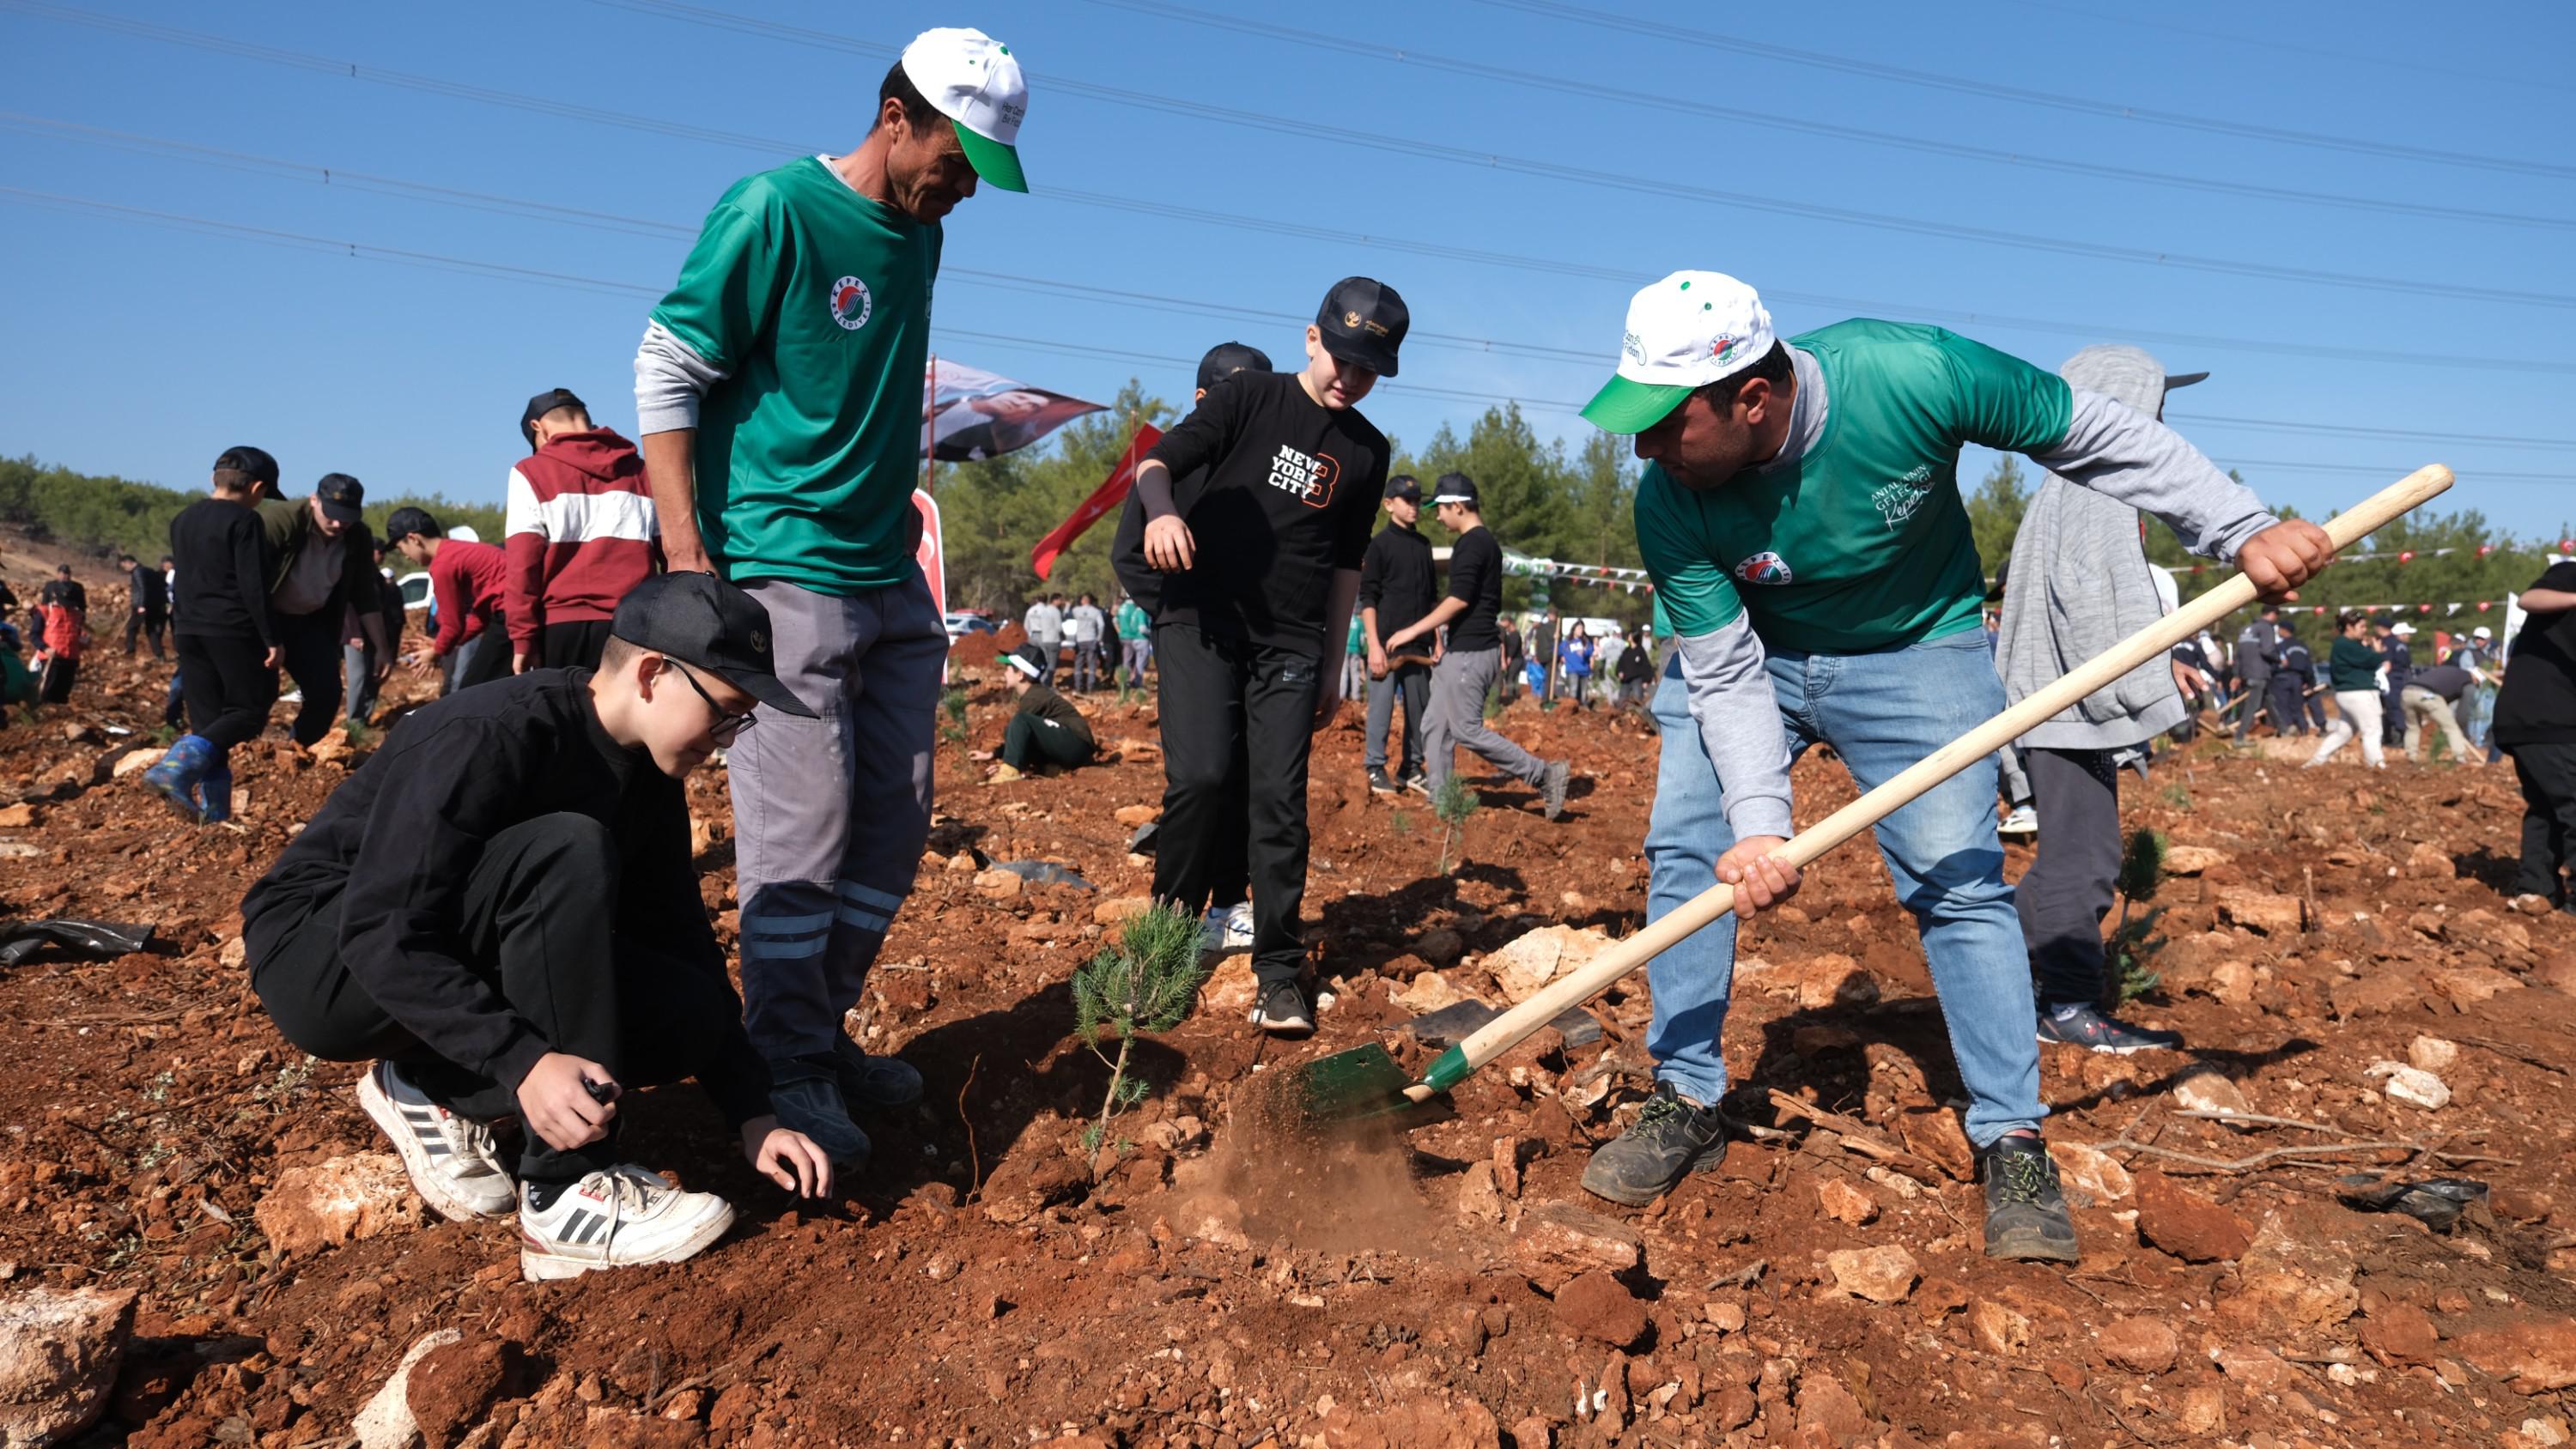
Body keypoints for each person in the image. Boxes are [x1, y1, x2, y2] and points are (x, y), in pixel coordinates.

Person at [1582, 272, 2330, 1263]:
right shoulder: (1670, 500)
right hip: (1757, 660)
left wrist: (2237, 524)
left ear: (1750, 397)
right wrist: (1760, 819)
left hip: (1916, 655)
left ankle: (2012, 1135)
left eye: (1664, 423)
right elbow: (1722, 674)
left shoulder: (1916, 374)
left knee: (1958, 882)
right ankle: (1683, 1094)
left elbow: (2097, 431)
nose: (1643, 448)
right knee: (1688, 849)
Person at [632, 27, 1027, 1162]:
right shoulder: (773, 211)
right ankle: (785, 1064)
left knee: (894, 826)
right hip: (781, 568)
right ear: (896, 117)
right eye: (956, 163)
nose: (963, 193)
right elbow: (668, 367)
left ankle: (817, 1029)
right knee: (799, 837)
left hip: (886, 570)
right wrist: (689, 558)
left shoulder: (921, 241)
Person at [240, 572, 833, 1279]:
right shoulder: (490, 733)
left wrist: (752, 1111)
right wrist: (522, 1060)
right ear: (652, 674)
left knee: (691, 1012)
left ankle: (433, 1082)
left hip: (425, 946)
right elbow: (379, 928)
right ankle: (565, 1194)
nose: (729, 740)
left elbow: (682, 936)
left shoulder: (649, 776)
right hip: (321, 960)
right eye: (726, 712)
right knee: (567, 847)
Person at [1133, 277, 1403, 1035]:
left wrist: (1333, 664)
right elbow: (1159, 460)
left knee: (1279, 806)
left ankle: (1279, 973)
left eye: (1369, 370)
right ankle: (1163, 950)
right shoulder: (1249, 397)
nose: (1351, 379)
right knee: (1203, 780)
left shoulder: (1368, 450)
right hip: (1201, 621)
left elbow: (1347, 563)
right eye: (1342, 359)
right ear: (1312, 339)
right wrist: (1159, 516)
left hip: (1290, 641)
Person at [1995, 345, 2205, 1055]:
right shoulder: (2095, 490)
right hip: (2063, 708)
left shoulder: (2076, 485)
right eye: (2156, 400)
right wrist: (2148, 685)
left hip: (2059, 703)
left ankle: (2003, 984)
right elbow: (2090, 606)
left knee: (2081, 856)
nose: (2164, 416)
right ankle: (2058, 1003)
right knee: (2081, 862)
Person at [1109, 342, 1274, 958]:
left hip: (1262, 642)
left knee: (1247, 778)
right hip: (1193, 633)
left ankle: (1229, 904)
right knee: (1202, 775)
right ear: (1203, 400)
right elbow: (1130, 553)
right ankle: (1170, 920)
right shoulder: (1175, 461)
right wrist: (1180, 611)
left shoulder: (1271, 469)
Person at [1387, 474, 1573, 816]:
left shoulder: (1474, 544)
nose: (1437, 516)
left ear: (1458, 505)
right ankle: (1442, 802)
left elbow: (1458, 599)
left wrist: (1411, 631)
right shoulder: (1475, 543)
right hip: (1461, 650)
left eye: (1440, 508)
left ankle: (1544, 775)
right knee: (1434, 725)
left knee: (1464, 729)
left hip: (1472, 653)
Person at [142, 447, 283, 822]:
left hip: (188, 627)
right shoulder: (245, 522)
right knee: (251, 709)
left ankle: (214, 813)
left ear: (213, 479)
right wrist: (271, 637)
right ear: (257, 487)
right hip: (230, 627)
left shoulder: (182, 518)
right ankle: (174, 768)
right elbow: (254, 585)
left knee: (208, 723)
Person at [505, 387, 661, 673]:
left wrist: (522, 639)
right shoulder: (642, 472)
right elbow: (671, 552)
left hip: (561, 629)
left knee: (567, 715)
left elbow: (521, 566)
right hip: (633, 626)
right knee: (626, 718)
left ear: (537, 427)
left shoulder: (530, 471)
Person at [256, 473, 392, 745]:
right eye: (332, 514)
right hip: (264, 620)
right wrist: (267, 635)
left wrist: (381, 647)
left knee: (326, 694)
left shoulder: (357, 535)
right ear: (314, 500)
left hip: (310, 622)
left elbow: (364, 594)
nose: (339, 523)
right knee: (256, 694)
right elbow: (251, 581)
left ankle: (300, 749)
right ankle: (245, 754)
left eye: (347, 516)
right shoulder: (280, 521)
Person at [2491, 560, 2576, 912]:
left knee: (2546, 807)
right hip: (2545, 716)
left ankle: (2535, 890)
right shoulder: (2570, 575)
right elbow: (2530, 598)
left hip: (2538, 718)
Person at [1358, 475, 1437, 795]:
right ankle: (1375, 767)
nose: (1414, 506)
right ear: (1389, 504)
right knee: (1381, 709)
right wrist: (1374, 645)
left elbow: (1432, 598)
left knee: (1420, 708)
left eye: (1418, 500)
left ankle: (1411, 768)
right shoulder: (1379, 545)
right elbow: (1368, 598)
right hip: (1386, 645)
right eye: (1408, 500)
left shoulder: (1424, 545)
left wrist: (1438, 640)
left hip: (1419, 646)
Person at [386, 509, 510, 695]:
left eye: (400, 548)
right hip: (514, 613)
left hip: (510, 617)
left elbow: (453, 625)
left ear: (413, 539)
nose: (405, 556)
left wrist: (435, 652)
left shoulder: (443, 564)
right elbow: (480, 617)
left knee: (473, 690)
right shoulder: (456, 551)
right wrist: (440, 646)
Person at [974, 643, 1097, 781]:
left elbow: (1019, 731)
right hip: (1071, 748)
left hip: (1077, 746)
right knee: (1014, 730)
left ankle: (1010, 772)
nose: (1005, 673)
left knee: (1020, 722)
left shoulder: (1035, 697)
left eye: (1008, 669)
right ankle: (1053, 767)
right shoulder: (1033, 694)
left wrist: (1008, 764)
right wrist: (992, 755)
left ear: (1020, 675)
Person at [2306, 611, 2388, 769]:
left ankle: (2316, 761)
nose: (2365, 630)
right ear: (2349, 627)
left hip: (2349, 693)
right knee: (2372, 729)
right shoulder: (2345, 644)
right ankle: (2377, 765)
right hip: (2358, 693)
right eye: (2361, 626)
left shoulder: (2350, 645)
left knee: (2344, 732)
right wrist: (2378, 652)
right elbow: (2371, 660)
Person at [345, 542, 407, 725]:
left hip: (378, 634)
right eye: (380, 552)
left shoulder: (377, 577)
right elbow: (349, 605)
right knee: (358, 676)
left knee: (375, 675)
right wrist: (353, 633)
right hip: (358, 635)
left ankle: (365, 717)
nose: (383, 556)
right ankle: (353, 722)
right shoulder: (355, 572)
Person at [2402, 658, 2485, 764]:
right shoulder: (2467, 681)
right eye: (2477, 683)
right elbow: (2462, 711)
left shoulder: (2452, 671)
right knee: (2452, 728)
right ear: (2475, 678)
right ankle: (2460, 757)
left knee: (2413, 727)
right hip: (2429, 695)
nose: (2475, 684)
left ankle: (2411, 755)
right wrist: (2459, 724)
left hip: (2407, 691)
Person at [30, 568, 85, 705]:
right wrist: (45, 648)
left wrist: (84, 641)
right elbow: (34, 634)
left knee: (62, 695)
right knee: (47, 693)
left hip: (71, 658)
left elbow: (77, 633)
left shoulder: (77, 614)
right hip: (52, 657)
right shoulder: (45, 611)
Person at [2233, 604, 2281, 740]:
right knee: (2252, 706)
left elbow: (2239, 655)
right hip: (2259, 673)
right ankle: (2239, 737)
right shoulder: (2266, 628)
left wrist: (2237, 674)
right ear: (2272, 614)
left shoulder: (2245, 629)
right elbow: (2267, 650)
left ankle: (2283, 728)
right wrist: (2279, 660)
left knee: (2267, 701)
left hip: (2247, 673)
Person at [2377, 619, 2416, 749]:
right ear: (2401, 634)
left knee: (2393, 708)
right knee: (2393, 708)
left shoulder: (2389, 643)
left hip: (2392, 678)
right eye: (2407, 634)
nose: (2409, 637)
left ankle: (2396, 736)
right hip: (2394, 679)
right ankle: (2392, 735)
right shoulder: (2398, 645)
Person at [2269, 624, 2314, 738]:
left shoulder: (2279, 646)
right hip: (2298, 678)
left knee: (2282, 705)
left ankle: (2288, 728)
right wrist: (2309, 682)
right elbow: (2308, 665)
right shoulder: (2302, 646)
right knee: (2297, 705)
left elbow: (2273, 664)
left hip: (2281, 678)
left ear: (2284, 630)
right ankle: (2303, 728)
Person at [123, 552, 168, 659]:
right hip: (154, 605)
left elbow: (142, 588)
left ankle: (130, 651)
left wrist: (141, 605)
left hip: (141, 606)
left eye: (124, 566)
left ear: (128, 563)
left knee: (131, 628)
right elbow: (162, 586)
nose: (125, 569)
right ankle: (159, 655)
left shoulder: (137, 572)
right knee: (151, 630)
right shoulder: (149, 570)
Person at [1067, 591, 1108, 693]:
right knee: (1091, 665)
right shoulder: (1096, 611)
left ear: (1082, 601)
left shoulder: (1076, 610)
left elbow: (1067, 615)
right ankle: (1090, 687)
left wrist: (1068, 605)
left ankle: (1078, 686)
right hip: (1091, 639)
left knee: (1079, 664)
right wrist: (1099, 638)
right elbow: (1101, 625)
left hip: (1080, 640)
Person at [1022, 593, 1063, 680]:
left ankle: (1031, 678)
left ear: (1037, 599)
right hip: (1043, 635)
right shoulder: (1046, 610)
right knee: (1045, 659)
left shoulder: (1030, 610)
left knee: (1033, 658)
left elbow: (1026, 625)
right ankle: (1043, 679)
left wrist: (1030, 633)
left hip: (1032, 636)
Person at [1613, 626, 1656, 709]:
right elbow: (1620, 663)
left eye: (1630, 635)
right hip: (1625, 680)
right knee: (1622, 701)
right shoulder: (1626, 650)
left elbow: (1646, 666)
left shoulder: (1640, 650)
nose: (1628, 637)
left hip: (1637, 679)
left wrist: (1646, 680)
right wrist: (1619, 672)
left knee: (1637, 700)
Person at [1115, 593, 1151, 687]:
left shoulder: (1122, 607)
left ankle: (1129, 681)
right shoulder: (1136, 610)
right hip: (1135, 637)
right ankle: (1128, 682)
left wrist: (1119, 631)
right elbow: (1142, 627)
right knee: (1134, 661)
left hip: (1125, 636)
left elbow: (1115, 620)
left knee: (1128, 660)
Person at [1559, 621, 1595, 709]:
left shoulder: (1585, 641)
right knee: (1573, 691)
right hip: (1572, 670)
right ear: (1574, 629)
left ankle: (1582, 709)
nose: (1581, 630)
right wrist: (1561, 658)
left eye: (1582, 628)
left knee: (1583, 694)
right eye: (1579, 628)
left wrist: (1584, 652)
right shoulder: (1567, 643)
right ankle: (1571, 709)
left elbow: (1590, 651)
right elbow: (1557, 651)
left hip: (1584, 671)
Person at [1498, 615, 1524, 700]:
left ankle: (1510, 696)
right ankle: (1516, 694)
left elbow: (1513, 647)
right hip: (1517, 659)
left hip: (1515, 660)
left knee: (1510, 677)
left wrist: (1509, 658)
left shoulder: (1515, 635)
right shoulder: (1514, 635)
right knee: (1515, 677)